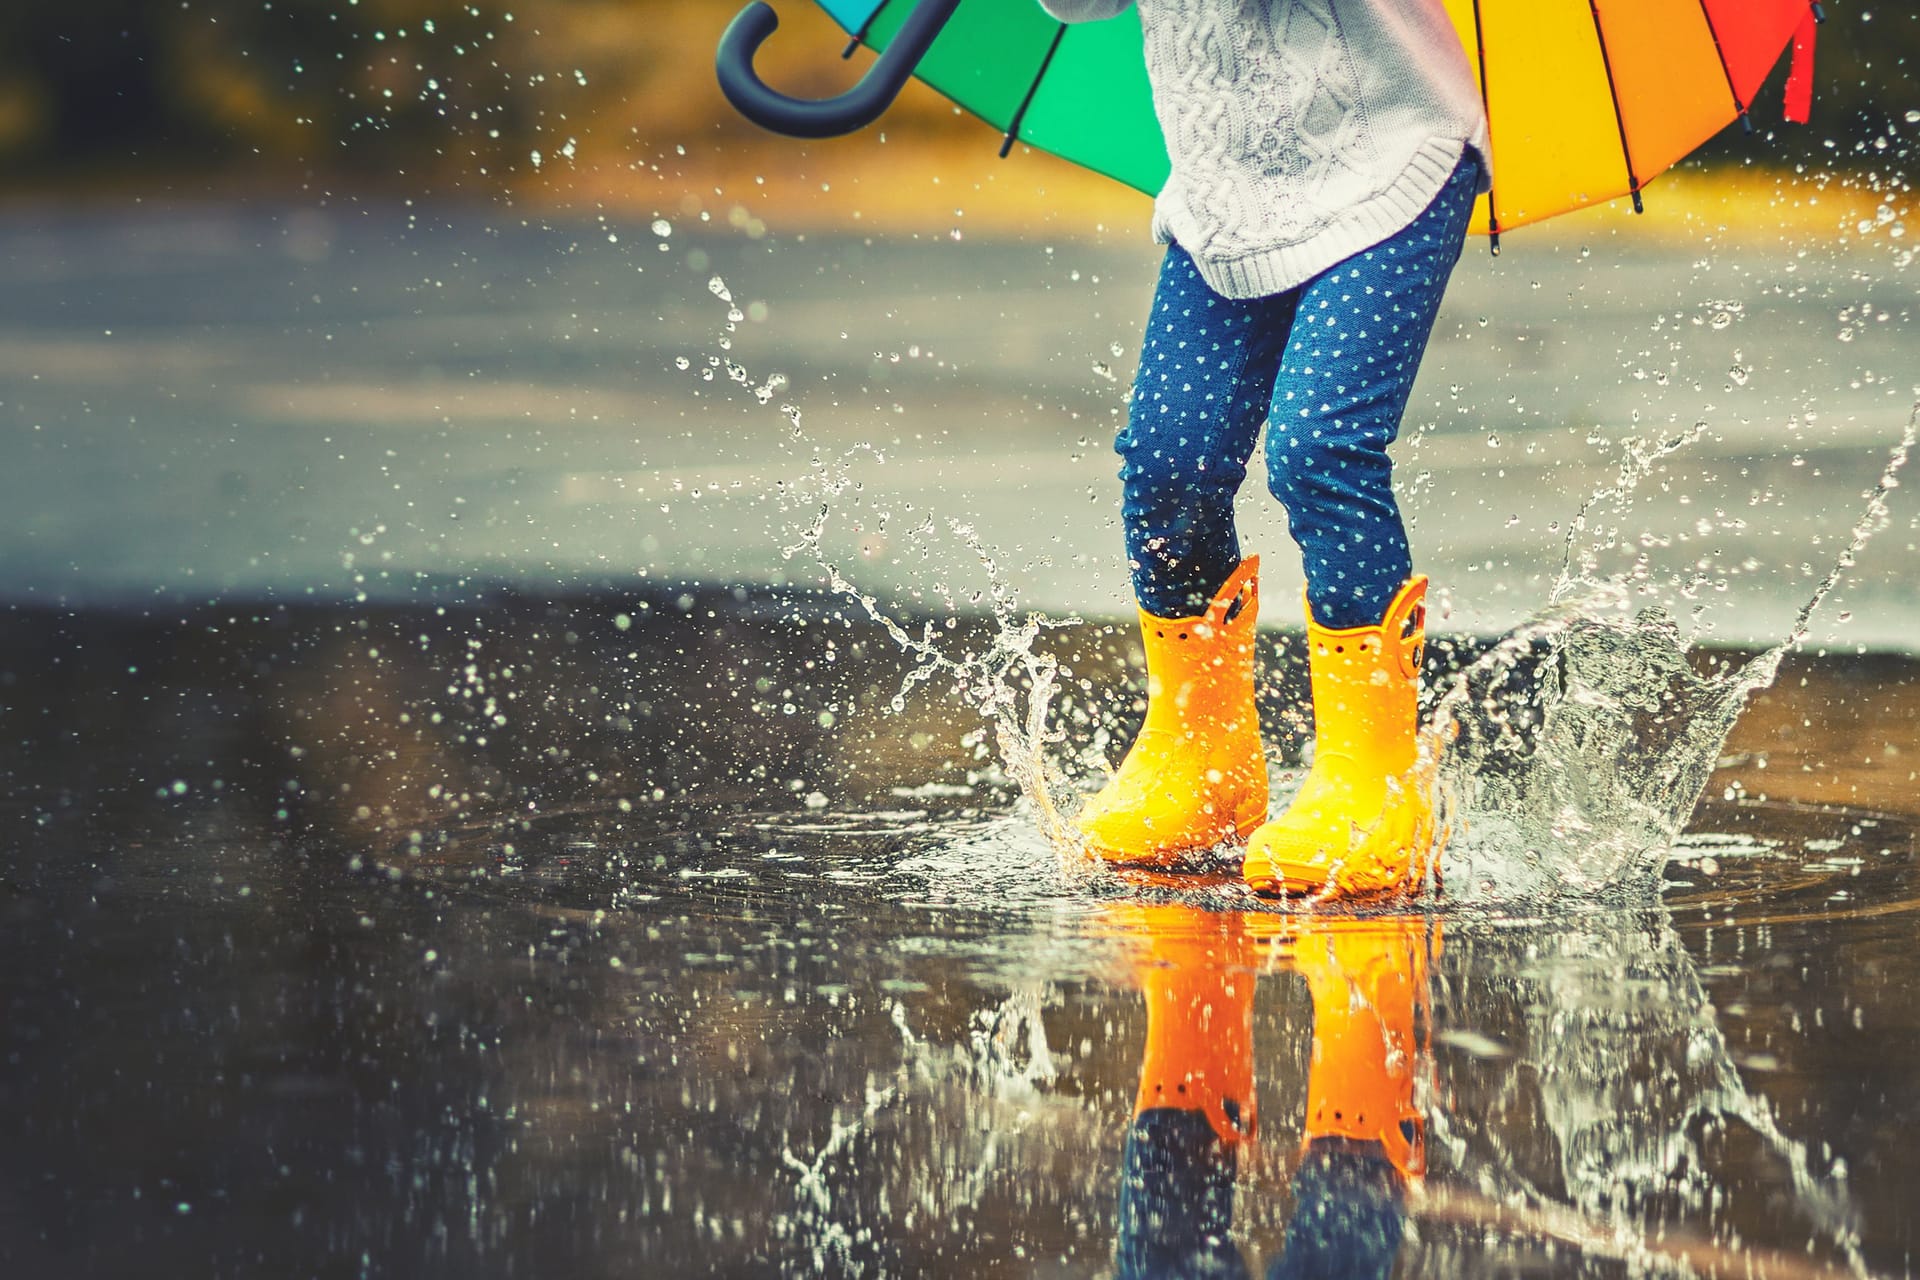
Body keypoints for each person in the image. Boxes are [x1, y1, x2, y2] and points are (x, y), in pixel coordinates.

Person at [1037, 0, 1491, 897]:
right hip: (1227, 199)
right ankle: (1203, 761)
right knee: (1170, 465)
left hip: (1387, 160)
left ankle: (1376, 781)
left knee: (1320, 450)